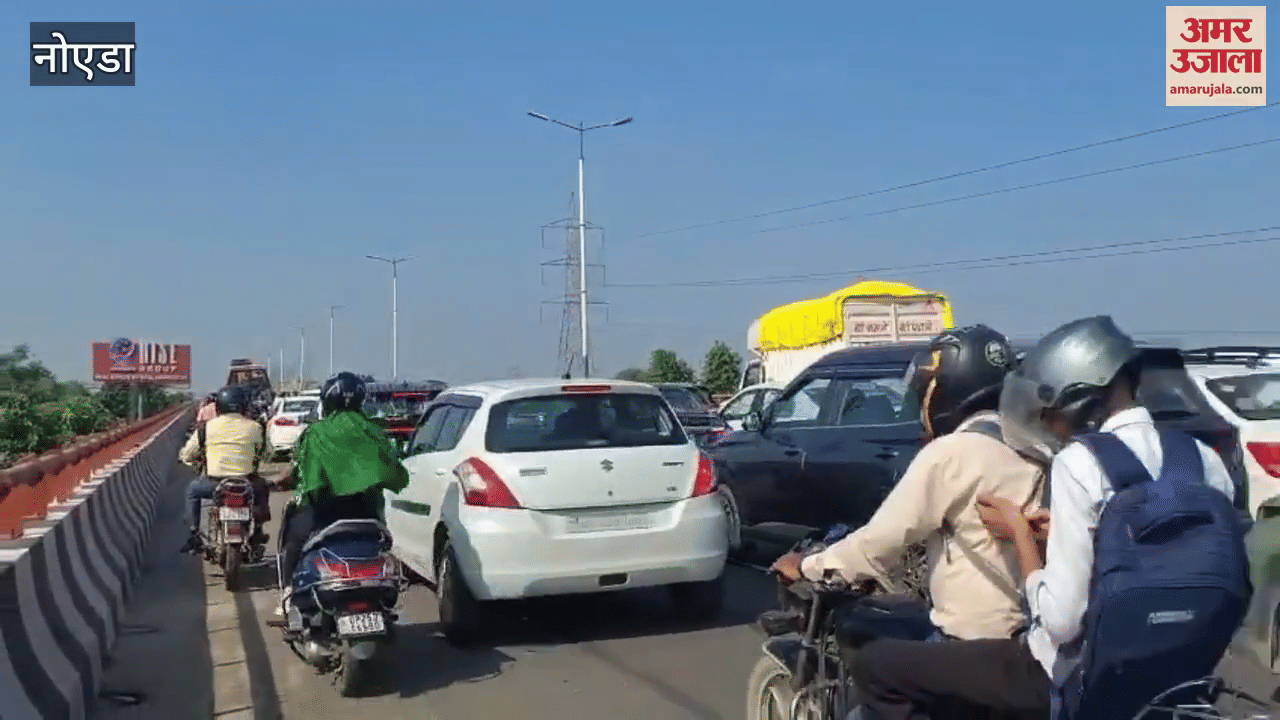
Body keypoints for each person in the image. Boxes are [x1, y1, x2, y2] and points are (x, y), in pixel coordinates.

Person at [850, 315, 1236, 720]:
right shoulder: (1202, 459)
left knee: (877, 666)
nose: (1049, 422)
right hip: (1177, 671)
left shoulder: (1082, 463)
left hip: (1065, 674)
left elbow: (1062, 621)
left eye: (1050, 410)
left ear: (1079, 397)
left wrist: (1020, 535)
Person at [771, 324, 1047, 642]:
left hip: (972, 642)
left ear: (944, 391)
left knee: (874, 663)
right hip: (1036, 631)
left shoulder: (952, 453)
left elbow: (880, 543)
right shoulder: (1036, 447)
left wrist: (808, 566)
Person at [272, 371, 409, 612]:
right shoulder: (374, 431)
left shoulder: (315, 433)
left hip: (323, 514)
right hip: (369, 513)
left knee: (292, 542)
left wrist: (276, 483)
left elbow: (300, 472)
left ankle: (288, 595)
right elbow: (395, 472)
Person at [178, 385, 273, 553]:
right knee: (263, 488)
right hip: (247, 483)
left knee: (192, 490)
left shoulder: (206, 428)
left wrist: (189, 461)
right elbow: (268, 455)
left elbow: (187, 455)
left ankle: (194, 533)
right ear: (244, 405)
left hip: (215, 485)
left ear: (218, 406)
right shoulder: (256, 427)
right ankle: (258, 529)